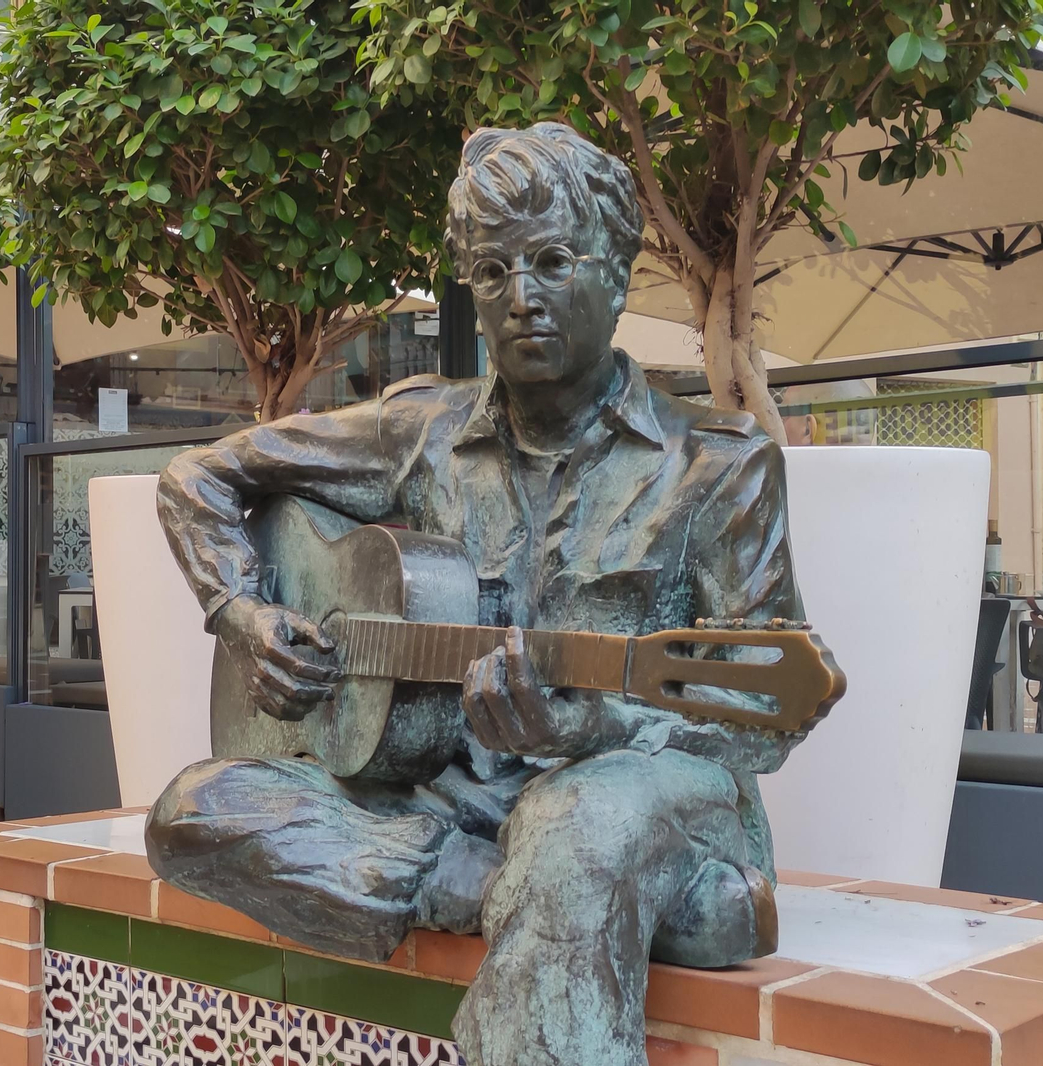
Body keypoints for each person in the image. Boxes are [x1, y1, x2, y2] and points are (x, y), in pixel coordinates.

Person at [146, 123, 817, 1066]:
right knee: (195, 812)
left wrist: (593, 733)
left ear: (618, 274)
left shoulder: (717, 467)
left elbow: (762, 710)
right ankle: (535, 888)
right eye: (494, 272)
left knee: (575, 824)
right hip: (447, 801)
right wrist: (244, 612)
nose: (523, 297)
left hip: (631, 788)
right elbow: (199, 478)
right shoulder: (417, 428)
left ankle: (576, 878)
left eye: (551, 261)